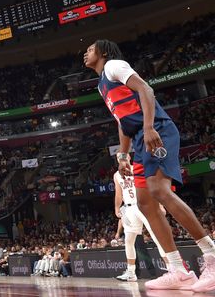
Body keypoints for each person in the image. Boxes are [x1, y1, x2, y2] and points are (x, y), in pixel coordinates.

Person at [85, 39, 215, 291]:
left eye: (89, 49)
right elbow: (123, 120)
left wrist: (147, 127)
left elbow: (146, 90)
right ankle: (178, 270)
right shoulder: (102, 83)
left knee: (158, 191)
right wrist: (123, 155)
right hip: (139, 139)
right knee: (145, 204)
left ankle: (210, 255)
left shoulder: (114, 65)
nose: (85, 53)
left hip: (157, 131)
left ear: (102, 52)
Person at [113, 169, 166, 281]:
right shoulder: (117, 175)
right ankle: (131, 272)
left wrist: (160, 204)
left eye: (123, 156)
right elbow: (118, 193)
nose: (121, 159)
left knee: (157, 236)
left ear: (128, 157)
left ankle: (172, 268)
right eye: (118, 158)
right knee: (128, 241)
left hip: (143, 204)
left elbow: (151, 184)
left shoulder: (136, 168)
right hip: (129, 207)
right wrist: (117, 207)